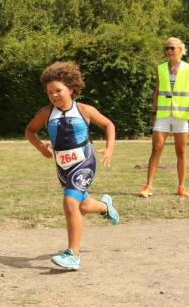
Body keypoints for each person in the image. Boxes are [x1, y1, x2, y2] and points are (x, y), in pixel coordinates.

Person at [25, 61, 119, 271]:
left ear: (70, 88)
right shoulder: (46, 113)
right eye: (49, 92)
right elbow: (30, 131)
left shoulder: (84, 110)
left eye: (58, 90)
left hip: (84, 162)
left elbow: (108, 125)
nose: (54, 95)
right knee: (82, 206)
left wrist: (110, 148)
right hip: (62, 167)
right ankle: (105, 207)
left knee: (69, 202)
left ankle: (73, 255)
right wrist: (41, 148)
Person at [139, 37, 189, 198]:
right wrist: (153, 112)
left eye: (172, 48)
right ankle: (148, 186)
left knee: (181, 152)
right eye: (166, 48)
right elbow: (157, 92)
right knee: (156, 149)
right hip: (163, 115)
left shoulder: (188, 68)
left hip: (181, 115)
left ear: (180, 49)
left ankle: (181, 187)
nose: (168, 51)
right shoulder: (160, 68)